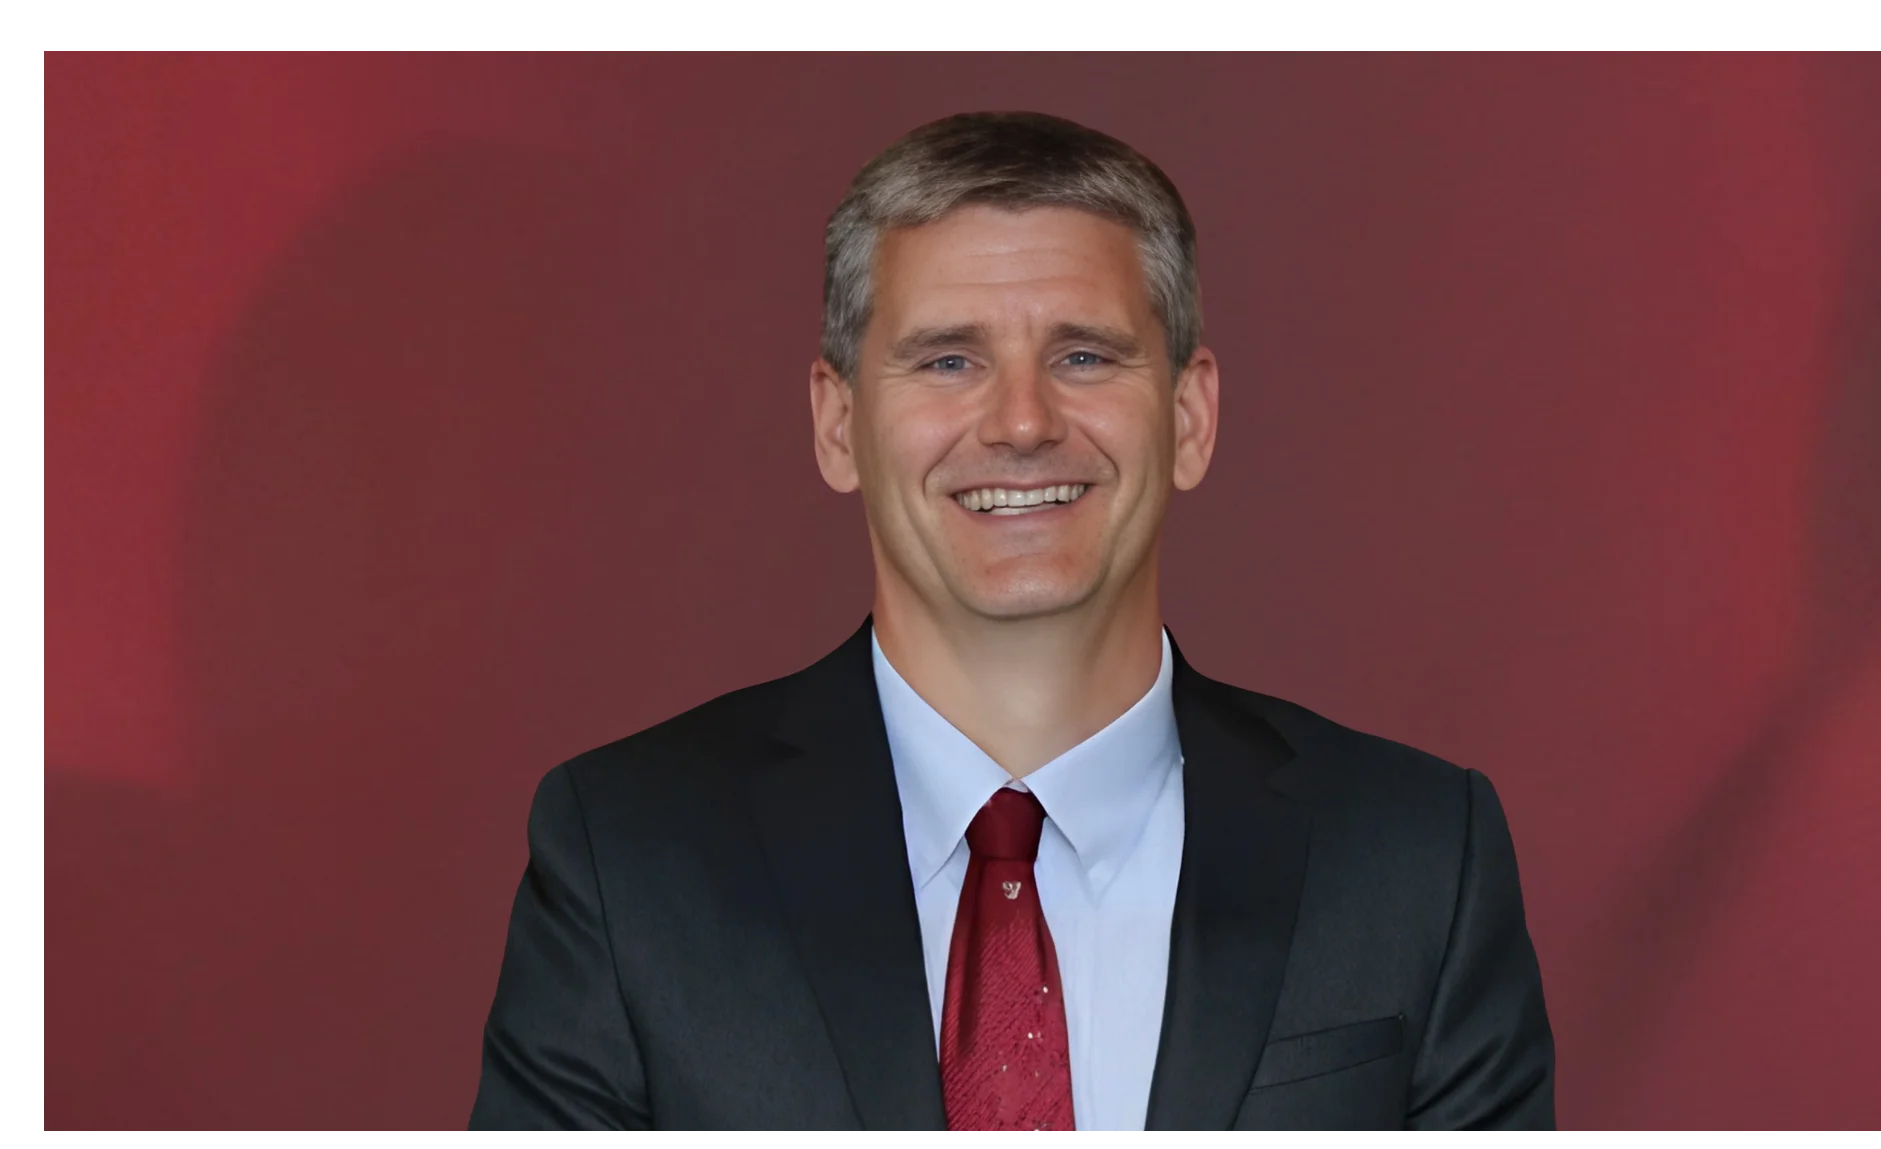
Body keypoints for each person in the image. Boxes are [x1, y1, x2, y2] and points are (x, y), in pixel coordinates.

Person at [468, 110, 1556, 1135]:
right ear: (838, 425)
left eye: (1083, 355)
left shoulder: (1417, 857)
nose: (1023, 420)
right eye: (949, 359)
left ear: (1189, 416)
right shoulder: (630, 857)